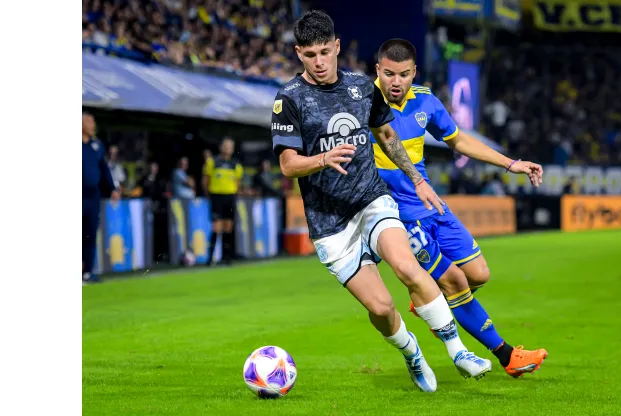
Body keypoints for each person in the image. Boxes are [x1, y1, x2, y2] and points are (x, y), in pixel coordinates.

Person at [271, 11, 490, 393]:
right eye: (310, 55)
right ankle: (412, 353)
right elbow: (288, 164)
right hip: (331, 224)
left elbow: (387, 134)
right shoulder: (289, 99)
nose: (319, 62)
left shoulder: (360, 87)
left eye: (325, 51)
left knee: (407, 266)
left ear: (337, 47)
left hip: (373, 201)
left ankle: (459, 352)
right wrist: (323, 158)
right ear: (298, 54)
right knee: (382, 308)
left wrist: (417, 180)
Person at [372, 39, 548, 378]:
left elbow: (458, 140)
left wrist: (510, 164)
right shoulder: (363, 102)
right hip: (397, 214)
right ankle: (507, 355)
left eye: (404, 74)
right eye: (389, 74)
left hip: (430, 202)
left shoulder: (425, 100)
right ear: (378, 70)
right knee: (454, 280)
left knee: (479, 273)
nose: (396, 82)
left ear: (414, 73)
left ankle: (428, 299)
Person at [82, 113, 119, 283]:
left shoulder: (97, 145)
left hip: (93, 197)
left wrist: (113, 188)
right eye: (89, 122)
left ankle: (87, 272)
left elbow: (104, 169)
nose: (93, 125)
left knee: (90, 235)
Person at [202, 138, 243, 266]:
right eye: (225, 146)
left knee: (228, 227)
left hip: (229, 197)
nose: (227, 149)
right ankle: (210, 259)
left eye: (230, 146)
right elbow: (205, 181)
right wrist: (209, 195)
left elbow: (237, 184)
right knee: (216, 227)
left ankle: (226, 258)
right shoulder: (212, 162)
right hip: (216, 197)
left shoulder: (236, 165)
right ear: (221, 147)